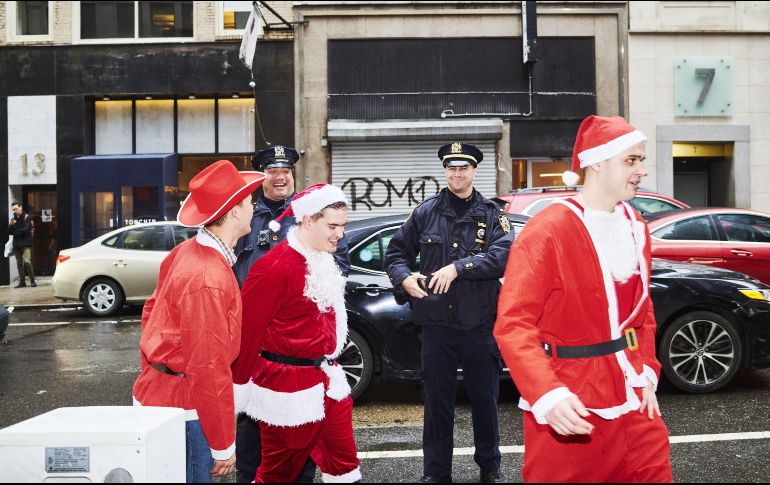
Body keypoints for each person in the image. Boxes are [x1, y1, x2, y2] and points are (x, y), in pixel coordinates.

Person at [493, 115, 673, 482]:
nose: (642, 170)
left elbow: (643, 312)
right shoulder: (549, 229)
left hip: (634, 394)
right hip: (571, 401)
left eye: (641, 160)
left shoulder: (635, 224)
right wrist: (548, 394)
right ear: (597, 163)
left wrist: (649, 371)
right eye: (631, 160)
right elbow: (514, 325)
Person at [384, 143, 514, 483]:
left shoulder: (492, 213)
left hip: (478, 324)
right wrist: (404, 277)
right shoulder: (425, 212)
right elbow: (395, 253)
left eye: (464, 168)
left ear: (474, 171)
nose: (458, 174)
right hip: (436, 326)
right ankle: (436, 473)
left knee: (485, 401)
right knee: (437, 405)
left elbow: (503, 256)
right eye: (452, 168)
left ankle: (490, 467)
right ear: (445, 171)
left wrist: (459, 267)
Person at [132, 160, 265, 483]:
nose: (254, 206)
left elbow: (150, 315)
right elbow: (208, 367)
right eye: (248, 201)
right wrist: (223, 445)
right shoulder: (208, 276)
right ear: (234, 212)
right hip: (187, 412)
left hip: (160, 396)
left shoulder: (185, 251)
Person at [232, 145, 350, 483]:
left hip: (296, 338)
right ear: (263, 177)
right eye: (272, 171)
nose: (280, 177)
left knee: (301, 450)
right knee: (254, 446)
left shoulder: (311, 212)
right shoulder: (247, 218)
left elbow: (334, 267)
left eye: (285, 172)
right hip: (258, 341)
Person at [8, 202, 36, 288]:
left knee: (27, 261)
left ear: (20, 207)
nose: (14, 211)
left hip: (26, 243)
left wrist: (16, 227)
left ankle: (32, 281)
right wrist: (12, 225)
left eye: (16, 209)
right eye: (13, 209)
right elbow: (9, 232)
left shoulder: (27, 217)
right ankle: (22, 282)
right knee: (19, 263)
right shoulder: (13, 219)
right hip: (17, 244)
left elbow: (27, 229)